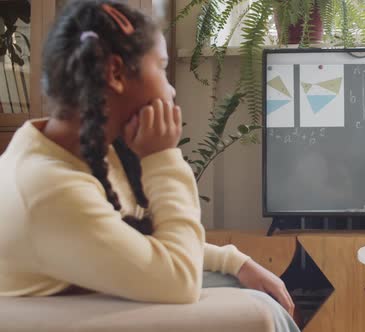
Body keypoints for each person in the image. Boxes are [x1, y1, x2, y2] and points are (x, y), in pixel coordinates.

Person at [0, 1, 298, 331]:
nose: (170, 88)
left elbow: (130, 243)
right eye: (161, 66)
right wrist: (163, 158)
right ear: (115, 74)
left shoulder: (74, 154)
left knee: (247, 288)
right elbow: (178, 279)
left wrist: (233, 261)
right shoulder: (49, 191)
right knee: (262, 309)